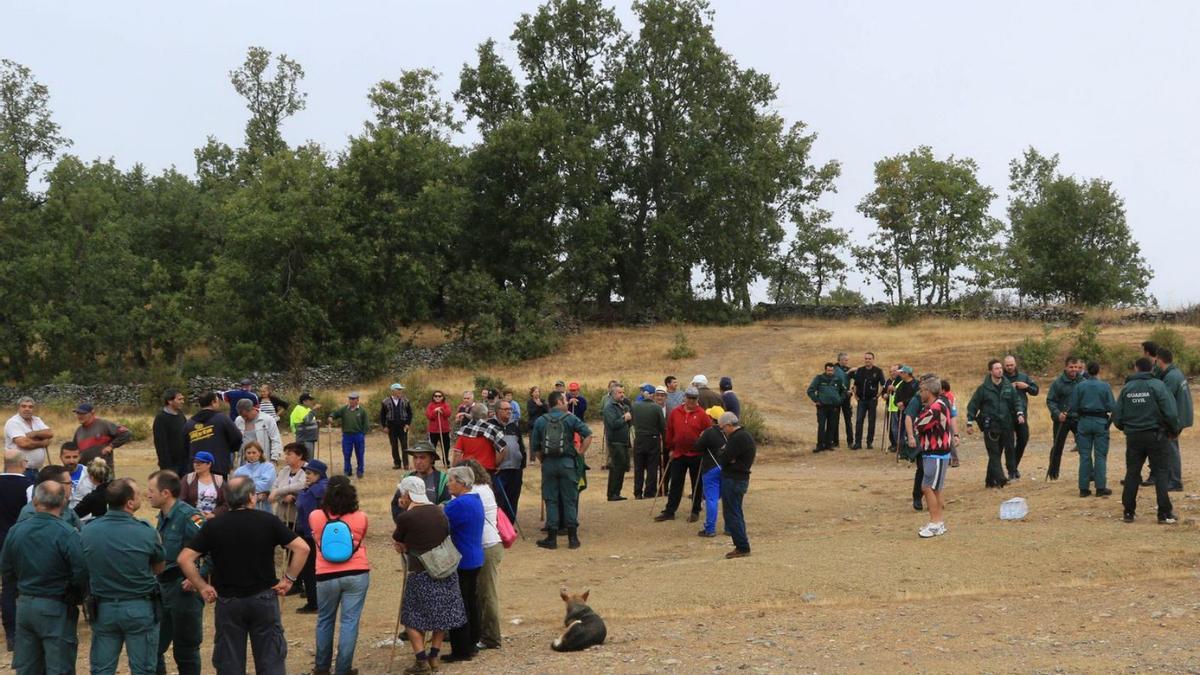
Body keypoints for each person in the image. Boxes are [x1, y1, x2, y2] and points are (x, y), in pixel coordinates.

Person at [178, 476, 310, 675]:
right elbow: (302, 548)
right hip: (264, 598)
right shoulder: (268, 521)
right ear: (251, 497)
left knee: (229, 663)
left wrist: (203, 586)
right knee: (271, 661)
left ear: (227, 499)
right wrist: (289, 579)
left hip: (228, 602)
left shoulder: (214, 525)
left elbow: (184, 559)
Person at [80, 478, 166, 675]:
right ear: (129, 503)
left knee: (102, 669)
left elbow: (83, 565)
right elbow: (159, 567)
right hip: (139, 607)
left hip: (104, 608)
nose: (142, 496)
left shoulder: (88, 530)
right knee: (143, 669)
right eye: (137, 494)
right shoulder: (145, 532)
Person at [0, 480, 87, 674]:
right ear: (62, 503)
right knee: (59, 666)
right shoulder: (66, 533)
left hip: (25, 605)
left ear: (36, 501)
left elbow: (6, 569)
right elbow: (81, 570)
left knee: (28, 666)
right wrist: (77, 594)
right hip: (56, 605)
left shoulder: (16, 530)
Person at [392, 475, 467, 674]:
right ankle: (434, 655)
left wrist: (402, 511)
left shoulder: (405, 517)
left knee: (411, 617)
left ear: (407, 494)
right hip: (444, 570)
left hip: (420, 572)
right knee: (440, 616)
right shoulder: (439, 511)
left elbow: (398, 540)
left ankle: (421, 659)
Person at [146, 470, 206, 675]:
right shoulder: (163, 517)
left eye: (151, 490)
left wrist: (198, 578)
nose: (148, 495)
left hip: (183, 590)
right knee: (152, 648)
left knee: (186, 651)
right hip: (162, 588)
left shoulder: (189, 517)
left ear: (165, 493)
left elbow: (213, 548)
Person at [309, 475, 370, 675]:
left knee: (325, 620)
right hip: (356, 571)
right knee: (349, 621)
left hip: (326, 574)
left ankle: (321, 667)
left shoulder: (316, 516)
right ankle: (343, 669)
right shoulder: (361, 517)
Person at [1114, 357, 1180, 524]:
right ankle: (1164, 514)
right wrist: (1174, 430)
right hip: (1156, 436)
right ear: (1152, 369)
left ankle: (1128, 512)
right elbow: (1170, 412)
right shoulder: (1158, 385)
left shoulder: (1127, 388)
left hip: (1134, 437)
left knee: (1132, 473)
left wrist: (1127, 428)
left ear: (1136, 368)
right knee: (1161, 473)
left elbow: (1117, 416)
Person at [531, 391, 593, 550]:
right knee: (570, 499)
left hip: (549, 464)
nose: (567, 402)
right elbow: (588, 435)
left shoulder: (540, 421)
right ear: (559, 402)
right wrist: (580, 453)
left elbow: (535, 447)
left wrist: (543, 460)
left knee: (551, 500)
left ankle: (551, 539)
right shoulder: (570, 418)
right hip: (568, 463)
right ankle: (573, 538)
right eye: (565, 400)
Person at [459, 460, 504, 652]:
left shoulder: (475, 492)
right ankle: (480, 633)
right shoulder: (485, 488)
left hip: (485, 545)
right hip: (487, 545)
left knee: (486, 593)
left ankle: (491, 636)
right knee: (479, 592)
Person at [443, 466, 484, 663]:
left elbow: (441, 522)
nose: (448, 484)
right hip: (475, 556)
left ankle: (461, 648)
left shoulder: (458, 505)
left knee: (458, 605)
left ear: (461, 482)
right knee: (470, 602)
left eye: (451, 480)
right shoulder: (476, 500)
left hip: (462, 559)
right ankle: (473, 642)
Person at [966, 359, 1026, 489]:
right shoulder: (983, 389)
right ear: (990, 371)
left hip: (1006, 424)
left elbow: (1016, 401)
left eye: (1000, 368)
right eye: (996, 368)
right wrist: (969, 422)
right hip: (990, 425)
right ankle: (1001, 479)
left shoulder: (1008, 386)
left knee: (1004, 451)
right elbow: (973, 405)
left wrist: (1020, 413)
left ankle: (990, 481)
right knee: (993, 452)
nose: (1000, 370)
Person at [656, 387, 709, 523]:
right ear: (684, 397)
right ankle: (670, 511)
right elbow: (670, 431)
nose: (691, 401)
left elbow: (708, 433)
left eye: (694, 398)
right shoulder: (675, 412)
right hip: (678, 453)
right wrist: (670, 448)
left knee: (696, 484)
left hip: (696, 454)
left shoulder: (702, 414)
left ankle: (695, 510)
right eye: (689, 397)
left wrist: (704, 447)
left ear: (697, 399)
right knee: (676, 483)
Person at [909, 377, 953, 538]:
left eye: (921, 390)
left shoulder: (935, 408)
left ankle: (935, 523)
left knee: (927, 487)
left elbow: (919, 424)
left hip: (936, 453)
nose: (920, 394)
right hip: (937, 453)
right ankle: (938, 522)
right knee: (935, 488)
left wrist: (916, 421)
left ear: (928, 391)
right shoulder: (940, 404)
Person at [0, 449, 32, 652]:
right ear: (23, 463)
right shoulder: (29, 487)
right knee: (26, 587)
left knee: (8, 587)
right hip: (21, 542)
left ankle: (11, 634)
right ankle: (26, 631)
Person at [1068, 362, 1116, 497]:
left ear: (1087, 371)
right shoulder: (1105, 386)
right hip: (1101, 422)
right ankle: (1100, 487)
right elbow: (1112, 407)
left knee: (1084, 456)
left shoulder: (1080, 386)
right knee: (1100, 456)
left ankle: (1084, 488)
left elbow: (1073, 407)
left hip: (1084, 422)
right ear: (1098, 371)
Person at [717, 412, 755, 559]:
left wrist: (727, 456)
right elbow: (725, 455)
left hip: (734, 479)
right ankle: (741, 544)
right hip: (738, 478)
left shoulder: (738, 438)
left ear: (729, 425)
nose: (722, 431)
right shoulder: (743, 436)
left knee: (732, 513)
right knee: (736, 512)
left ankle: (742, 546)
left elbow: (724, 457)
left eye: (722, 428)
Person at [295, 459, 329, 614]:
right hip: (321, 534)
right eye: (306, 473)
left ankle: (313, 602)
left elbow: (307, 513)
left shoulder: (313, 492)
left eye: (309, 473)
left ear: (318, 474)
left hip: (310, 535)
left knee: (309, 569)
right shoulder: (319, 488)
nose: (306, 475)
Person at [1155, 347, 1192, 491]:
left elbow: (1166, 401)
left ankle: (1175, 481)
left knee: (1171, 449)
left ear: (1160, 360)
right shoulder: (1177, 373)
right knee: (1171, 447)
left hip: (1175, 418)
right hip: (1181, 415)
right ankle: (1172, 478)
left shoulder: (1170, 377)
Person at [184, 392, 242, 476]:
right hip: (218, 466)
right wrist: (229, 449)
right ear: (213, 402)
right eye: (217, 401)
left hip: (196, 468)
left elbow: (184, 447)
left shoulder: (189, 423)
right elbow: (237, 438)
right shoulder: (222, 419)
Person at [392, 443, 451, 524]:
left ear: (432, 459)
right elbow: (396, 504)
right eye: (415, 457)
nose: (418, 462)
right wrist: (401, 523)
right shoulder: (406, 478)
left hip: (434, 527)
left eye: (422, 457)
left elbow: (449, 502)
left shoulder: (443, 479)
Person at [1002, 355, 1040, 480]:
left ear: (1015, 364)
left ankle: (1014, 466)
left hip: (1021, 415)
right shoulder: (1000, 378)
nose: (1009, 367)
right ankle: (1012, 471)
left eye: (1011, 365)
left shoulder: (1023, 377)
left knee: (1023, 438)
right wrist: (1007, 388)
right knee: (1008, 443)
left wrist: (1027, 387)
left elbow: (1036, 391)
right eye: (1007, 365)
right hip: (1006, 415)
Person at [693, 406, 726, 538]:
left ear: (712, 419)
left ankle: (710, 528)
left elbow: (697, 447)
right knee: (727, 499)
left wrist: (700, 437)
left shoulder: (709, 432)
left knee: (711, 499)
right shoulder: (730, 431)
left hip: (711, 468)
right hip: (727, 468)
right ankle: (729, 527)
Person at [492, 399, 526, 522]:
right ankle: (499, 526)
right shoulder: (490, 426)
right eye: (505, 409)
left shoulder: (514, 426)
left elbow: (520, 445)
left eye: (510, 409)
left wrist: (522, 463)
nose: (509, 412)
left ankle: (509, 526)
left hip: (515, 469)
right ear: (497, 411)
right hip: (499, 470)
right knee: (499, 499)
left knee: (513, 498)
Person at [631, 385, 666, 500]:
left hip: (639, 439)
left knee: (638, 467)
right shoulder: (656, 408)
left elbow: (632, 421)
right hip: (653, 439)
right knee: (652, 467)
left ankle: (637, 492)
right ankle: (649, 492)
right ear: (652, 395)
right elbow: (662, 426)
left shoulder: (635, 406)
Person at [71, 402, 131, 470]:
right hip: (85, 472)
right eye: (78, 413)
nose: (79, 416)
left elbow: (126, 433)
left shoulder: (104, 424)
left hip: (103, 470)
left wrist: (111, 446)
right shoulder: (79, 431)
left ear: (92, 413)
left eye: (83, 413)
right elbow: (74, 450)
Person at [4, 396, 53, 479]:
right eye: (23, 406)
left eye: (30, 407)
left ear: (33, 409)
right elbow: (24, 443)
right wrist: (43, 442)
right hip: (18, 470)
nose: (27, 409)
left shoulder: (37, 420)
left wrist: (33, 434)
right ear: (18, 408)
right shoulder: (13, 422)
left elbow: (50, 433)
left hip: (36, 470)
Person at [1047, 355, 1086, 457]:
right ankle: (1053, 472)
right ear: (1066, 367)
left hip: (1078, 419)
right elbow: (1050, 401)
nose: (1074, 369)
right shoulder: (1057, 383)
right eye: (1071, 367)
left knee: (1085, 447)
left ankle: (1086, 472)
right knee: (1057, 447)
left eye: (1076, 367)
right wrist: (1057, 414)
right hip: (1062, 420)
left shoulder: (1083, 382)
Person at [453, 403, 506, 475]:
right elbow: (503, 449)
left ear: (471, 415)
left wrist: (455, 470)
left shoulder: (463, 430)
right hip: (487, 469)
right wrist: (497, 464)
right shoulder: (493, 430)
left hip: (469, 469)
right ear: (486, 414)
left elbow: (457, 453)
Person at [602, 384, 633, 501]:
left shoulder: (623, 406)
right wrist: (624, 418)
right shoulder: (609, 407)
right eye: (620, 393)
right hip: (615, 442)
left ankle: (617, 493)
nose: (622, 395)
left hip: (623, 441)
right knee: (616, 468)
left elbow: (629, 423)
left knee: (622, 467)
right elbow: (613, 424)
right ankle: (612, 494)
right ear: (613, 394)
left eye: (623, 392)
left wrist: (628, 418)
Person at [807, 363, 847, 452]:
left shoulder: (838, 379)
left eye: (831, 370)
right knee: (821, 426)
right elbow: (810, 390)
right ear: (825, 370)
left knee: (831, 426)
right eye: (828, 370)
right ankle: (820, 445)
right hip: (822, 407)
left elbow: (844, 391)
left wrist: (840, 400)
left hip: (833, 407)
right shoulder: (819, 378)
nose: (830, 372)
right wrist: (816, 400)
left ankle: (828, 444)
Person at [851, 353, 887, 449]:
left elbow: (883, 384)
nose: (867, 360)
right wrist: (855, 396)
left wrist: (878, 395)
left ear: (873, 359)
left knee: (871, 421)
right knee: (859, 421)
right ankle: (857, 443)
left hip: (872, 400)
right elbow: (855, 384)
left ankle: (869, 442)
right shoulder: (860, 370)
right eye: (866, 358)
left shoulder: (878, 371)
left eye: (869, 358)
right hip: (861, 400)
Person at [329, 393, 370, 478]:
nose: (351, 401)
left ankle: (360, 471)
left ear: (357, 400)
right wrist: (331, 417)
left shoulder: (362, 411)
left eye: (353, 399)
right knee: (346, 454)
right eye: (350, 399)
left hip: (358, 435)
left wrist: (363, 434)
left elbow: (366, 424)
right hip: (347, 435)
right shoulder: (344, 409)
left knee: (360, 454)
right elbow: (335, 414)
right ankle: (347, 471)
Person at [268, 442, 309, 526]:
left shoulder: (308, 470)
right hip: (281, 516)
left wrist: (278, 492)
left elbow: (301, 485)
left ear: (299, 455)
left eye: (289, 454)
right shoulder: (284, 470)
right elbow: (274, 487)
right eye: (285, 454)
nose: (286, 457)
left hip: (298, 518)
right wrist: (282, 498)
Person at [180, 452, 227, 519]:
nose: (196, 465)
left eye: (200, 463)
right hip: (193, 520)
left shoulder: (219, 480)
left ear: (209, 464)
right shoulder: (188, 478)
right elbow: (180, 501)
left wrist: (214, 514)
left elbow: (226, 503)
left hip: (214, 520)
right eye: (195, 462)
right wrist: (194, 513)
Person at [236, 398, 284, 463]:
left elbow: (275, 439)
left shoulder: (268, 419)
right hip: (244, 462)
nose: (244, 418)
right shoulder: (238, 420)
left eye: (246, 416)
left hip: (262, 461)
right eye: (242, 416)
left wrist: (274, 458)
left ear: (252, 409)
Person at [153, 388, 189, 474]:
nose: (182, 401)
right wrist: (167, 467)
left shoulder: (181, 415)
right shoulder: (161, 418)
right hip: (171, 466)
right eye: (179, 399)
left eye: (183, 399)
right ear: (170, 401)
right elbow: (161, 444)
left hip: (184, 464)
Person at [233, 441, 277, 512]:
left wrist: (244, 486)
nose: (251, 455)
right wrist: (255, 493)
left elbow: (266, 484)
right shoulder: (239, 471)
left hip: (263, 507)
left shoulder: (268, 467)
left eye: (254, 452)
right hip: (243, 508)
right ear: (245, 454)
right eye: (248, 453)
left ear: (260, 453)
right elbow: (235, 488)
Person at [382, 383, 414, 470]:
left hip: (403, 426)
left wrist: (408, 424)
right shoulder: (385, 401)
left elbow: (410, 413)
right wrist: (384, 426)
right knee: (394, 445)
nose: (400, 391)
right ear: (393, 391)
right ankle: (397, 463)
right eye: (398, 389)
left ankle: (406, 464)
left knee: (404, 445)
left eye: (401, 390)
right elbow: (382, 415)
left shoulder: (406, 401)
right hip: (391, 426)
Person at [426, 391, 453, 465]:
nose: (437, 397)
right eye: (435, 396)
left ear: (442, 397)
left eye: (439, 396)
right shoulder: (430, 405)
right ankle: (432, 462)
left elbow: (448, 414)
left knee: (446, 447)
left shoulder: (445, 405)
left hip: (444, 430)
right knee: (432, 447)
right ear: (433, 397)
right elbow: (429, 416)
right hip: (433, 431)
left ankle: (446, 461)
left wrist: (441, 410)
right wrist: (435, 411)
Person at [833, 353, 854, 448]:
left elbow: (858, 380)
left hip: (846, 397)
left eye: (847, 360)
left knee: (848, 419)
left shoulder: (849, 369)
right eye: (845, 360)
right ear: (839, 360)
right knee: (835, 420)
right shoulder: (833, 369)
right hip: (836, 397)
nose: (846, 362)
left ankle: (850, 442)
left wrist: (853, 389)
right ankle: (835, 442)